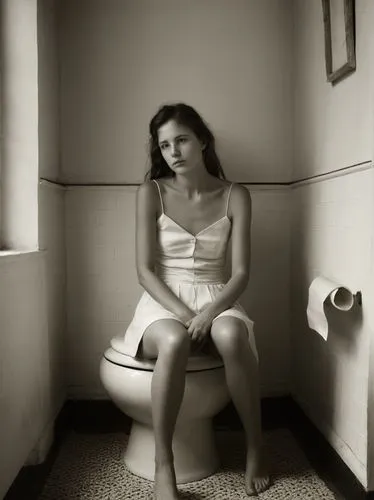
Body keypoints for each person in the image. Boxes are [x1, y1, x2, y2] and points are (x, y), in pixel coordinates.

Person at [122, 103, 271, 499]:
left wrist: (209, 312)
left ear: (202, 140)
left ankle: (256, 447)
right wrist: (188, 316)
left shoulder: (235, 195)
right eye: (165, 144)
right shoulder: (150, 192)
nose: (174, 151)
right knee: (175, 340)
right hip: (163, 300)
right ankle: (163, 463)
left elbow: (240, 273)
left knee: (233, 338)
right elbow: (144, 270)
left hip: (216, 294)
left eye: (182, 140)